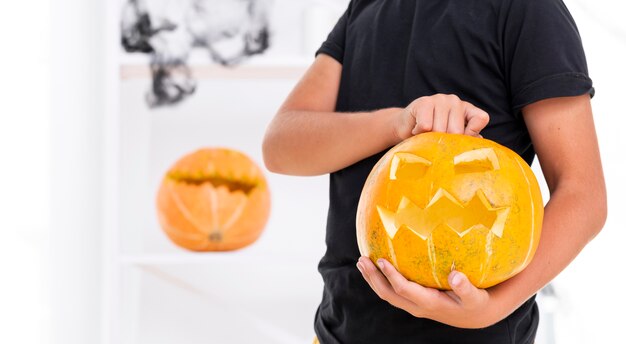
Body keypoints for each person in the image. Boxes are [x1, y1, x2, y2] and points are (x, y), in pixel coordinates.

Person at [262, 0, 606, 343]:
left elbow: (583, 195)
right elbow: (280, 146)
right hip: (338, 330)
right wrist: (398, 123)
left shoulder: (529, 9)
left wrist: (492, 308)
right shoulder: (363, 8)